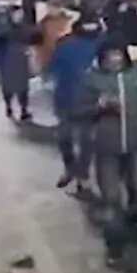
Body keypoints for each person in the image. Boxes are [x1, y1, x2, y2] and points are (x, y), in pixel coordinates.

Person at [76, 35, 137, 265]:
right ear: (101, 58)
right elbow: (79, 111)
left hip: (135, 144)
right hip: (107, 148)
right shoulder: (92, 79)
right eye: (109, 55)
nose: (114, 59)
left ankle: (133, 223)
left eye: (118, 54)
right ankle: (115, 249)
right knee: (112, 199)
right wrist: (98, 107)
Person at [48, 12, 104, 195]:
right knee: (64, 138)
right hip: (66, 98)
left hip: (89, 101)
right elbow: (53, 68)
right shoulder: (64, 44)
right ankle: (71, 168)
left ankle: (82, 175)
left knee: (86, 141)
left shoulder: (102, 45)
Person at [0, 4, 37, 123]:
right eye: (17, 14)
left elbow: (33, 37)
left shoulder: (23, 27)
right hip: (8, 60)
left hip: (20, 60)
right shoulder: (4, 28)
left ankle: (23, 109)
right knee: (9, 86)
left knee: (22, 86)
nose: (19, 16)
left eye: (20, 14)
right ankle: (9, 106)